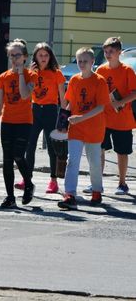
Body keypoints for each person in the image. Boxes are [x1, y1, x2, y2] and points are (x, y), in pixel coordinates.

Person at [58, 48, 110, 210]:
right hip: (76, 128)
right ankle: (70, 194)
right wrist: (62, 123)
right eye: (79, 61)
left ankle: (96, 191)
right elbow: (69, 103)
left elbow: (101, 107)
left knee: (94, 163)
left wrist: (81, 118)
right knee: (72, 161)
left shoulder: (99, 81)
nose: (81, 64)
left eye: (85, 61)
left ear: (93, 62)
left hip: (94, 128)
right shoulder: (74, 80)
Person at [0, 39, 36, 208]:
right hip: (7, 122)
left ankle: (29, 184)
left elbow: (25, 95)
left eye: (17, 55)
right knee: (7, 159)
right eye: (11, 55)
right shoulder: (3, 76)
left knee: (18, 154)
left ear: (24, 57)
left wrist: (19, 74)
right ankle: (10, 196)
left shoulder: (31, 75)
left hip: (24, 122)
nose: (14, 59)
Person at [17, 43, 66, 194]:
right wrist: (30, 74)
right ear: (35, 57)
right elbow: (23, 94)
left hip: (51, 111)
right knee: (29, 147)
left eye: (46, 55)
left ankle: (53, 180)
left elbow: (63, 99)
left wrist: (64, 119)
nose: (43, 58)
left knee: (52, 149)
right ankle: (27, 179)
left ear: (50, 56)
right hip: (34, 111)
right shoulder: (30, 72)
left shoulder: (56, 73)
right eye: (40, 55)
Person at [94, 37, 136, 195]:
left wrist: (120, 102)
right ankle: (98, 183)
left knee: (122, 152)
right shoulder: (101, 70)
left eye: (111, 51)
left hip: (122, 119)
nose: (108, 54)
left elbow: (135, 93)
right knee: (99, 150)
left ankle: (122, 183)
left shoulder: (127, 70)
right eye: (105, 51)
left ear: (119, 52)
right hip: (103, 118)